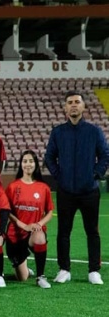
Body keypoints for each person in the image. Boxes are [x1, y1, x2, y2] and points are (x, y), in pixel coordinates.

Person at [44, 90, 109, 285]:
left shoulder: (94, 131)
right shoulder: (58, 132)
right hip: (66, 191)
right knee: (64, 231)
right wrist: (59, 176)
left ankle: (94, 271)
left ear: (83, 106)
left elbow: (105, 155)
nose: (73, 105)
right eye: (70, 102)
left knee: (92, 231)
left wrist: (95, 174)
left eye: (77, 102)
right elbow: (49, 157)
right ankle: (64, 269)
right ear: (65, 108)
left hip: (89, 190)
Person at [6, 150, 54, 289]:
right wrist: (23, 225)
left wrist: (39, 223)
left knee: (39, 236)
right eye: (25, 161)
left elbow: (50, 211)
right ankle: (24, 267)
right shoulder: (13, 187)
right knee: (22, 278)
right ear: (21, 165)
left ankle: (40, 277)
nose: (28, 164)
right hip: (15, 235)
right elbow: (7, 211)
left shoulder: (43, 187)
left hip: (33, 231)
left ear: (36, 165)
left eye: (31, 161)